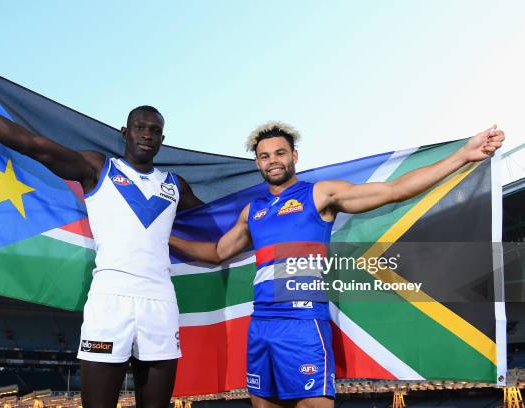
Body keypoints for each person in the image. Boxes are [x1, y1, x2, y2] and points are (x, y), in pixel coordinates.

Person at [169, 121, 505, 408]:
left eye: (280, 153)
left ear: (294, 156)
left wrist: (463, 155)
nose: (273, 161)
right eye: (264, 156)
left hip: (303, 324)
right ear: (257, 163)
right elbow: (215, 252)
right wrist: (160, 238)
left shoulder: (320, 195)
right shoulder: (252, 211)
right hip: (261, 327)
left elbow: (394, 190)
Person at [0, 57, 203, 408]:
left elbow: (222, 219)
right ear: (125, 132)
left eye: (154, 130)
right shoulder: (97, 168)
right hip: (110, 300)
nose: (147, 134)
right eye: (140, 127)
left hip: (161, 303)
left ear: (163, 138)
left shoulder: (175, 186)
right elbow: (32, 144)